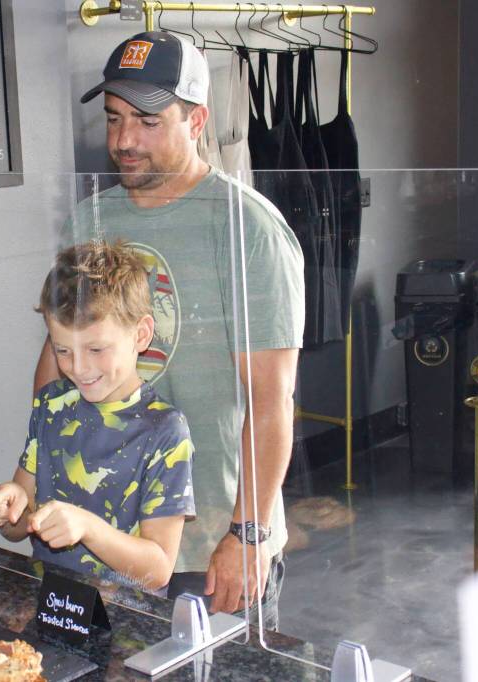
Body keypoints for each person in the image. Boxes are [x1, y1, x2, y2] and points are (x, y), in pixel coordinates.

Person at [35, 31, 304, 630]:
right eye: (114, 118)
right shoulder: (89, 218)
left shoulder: (248, 227)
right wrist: (37, 478)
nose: (124, 140)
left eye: (148, 121)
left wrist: (248, 534)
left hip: (208, 544)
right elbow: (56, 359)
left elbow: (271, 399)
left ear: (197, 121)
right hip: (100, 532)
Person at [0, 240, 195, 591]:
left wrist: (88, 528)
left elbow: (157, 570)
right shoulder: (51, 405)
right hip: (51, 601)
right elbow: (21, 526)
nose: (78, 367)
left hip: (125, 617)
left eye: (95, 348)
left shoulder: (165, 431)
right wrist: (9, 509)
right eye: (63, 350)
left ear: (141, 335)